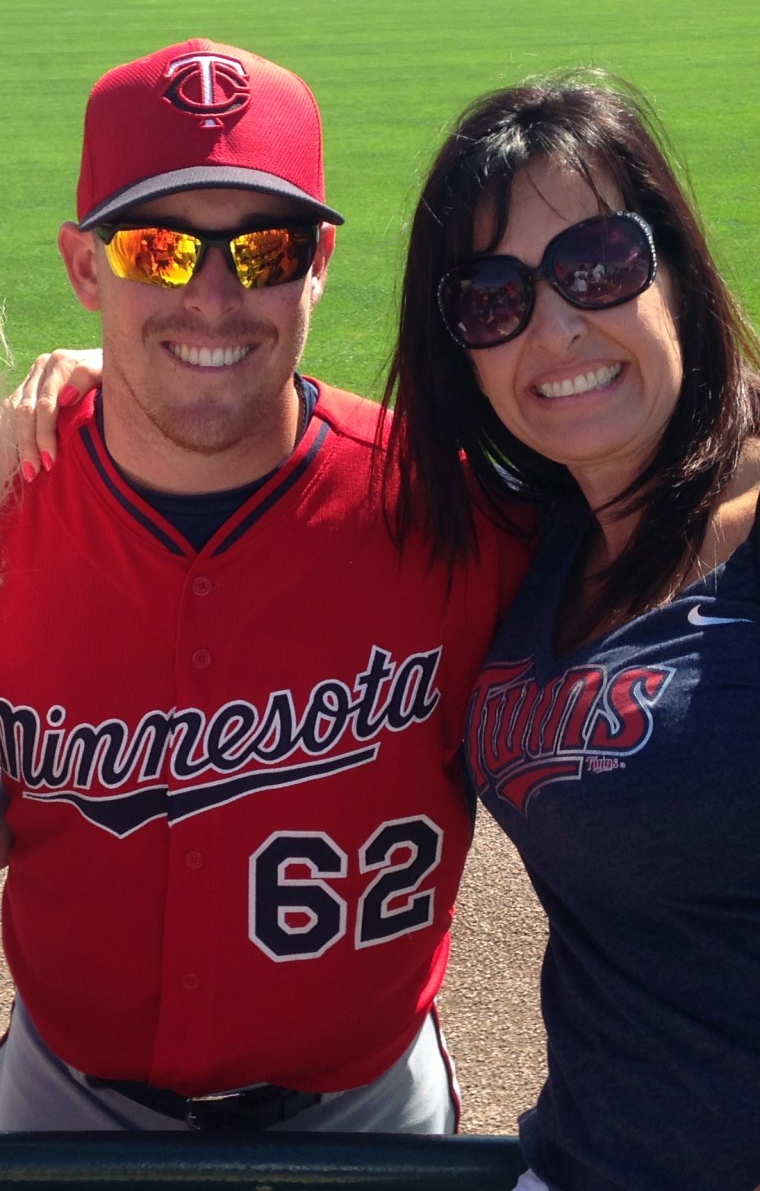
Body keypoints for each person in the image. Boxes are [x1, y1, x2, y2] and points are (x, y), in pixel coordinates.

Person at [0, 38, 531, 1135]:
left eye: (262, 251)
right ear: (86, 267)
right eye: (156, 249)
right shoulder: (15, 508)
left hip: (370, 1111)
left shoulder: (458, 512)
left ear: (319, 260)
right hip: (63, 1101)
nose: (209, 296)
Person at [384, 73, 760, 1191]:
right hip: (584, 1159)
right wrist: (95, 387)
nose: (554, 328)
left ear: (680, 272)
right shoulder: (535, 533)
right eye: (491, 299)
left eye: (597, 264)